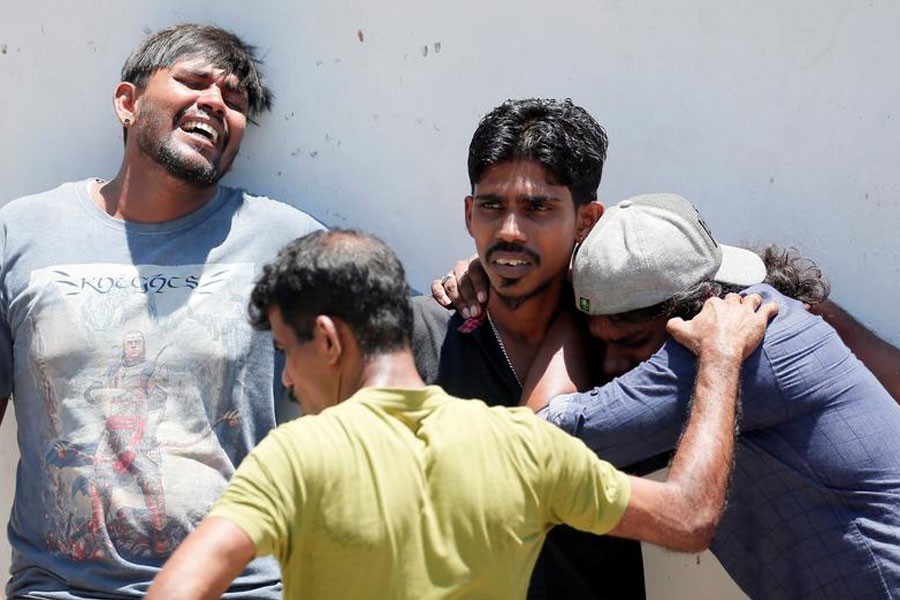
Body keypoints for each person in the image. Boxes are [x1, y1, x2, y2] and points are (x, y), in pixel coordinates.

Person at [146, 229, 776, 600]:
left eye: (287, 351)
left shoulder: (296, 457)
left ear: (331, 341)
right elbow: (691, 516)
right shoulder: (524, 447)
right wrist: (719, 364)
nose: (285, 376)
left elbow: (178, 590)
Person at [0, 24, 324, 598]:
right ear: (128, 103)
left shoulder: (284, 241)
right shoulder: (21, 234)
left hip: (239, 590)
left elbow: (391, 355)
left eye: (235, 98)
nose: (215, 103)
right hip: (60, 590)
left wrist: (472, 284)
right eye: (194, 81)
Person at [526, 193, 900, 598]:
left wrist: (557, 308)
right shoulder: (767, 312)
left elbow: (537, 439)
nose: (613, 364)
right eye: (599, 344)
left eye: (630, 342)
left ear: (692, 311)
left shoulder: (734, 347)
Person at [411, 97, 653, 598]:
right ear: (468, 213)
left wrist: (575, 312)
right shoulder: (416, 336)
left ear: (586, 222)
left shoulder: (624, 345)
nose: (509, 232)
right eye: (492, 206)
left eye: (538, 207)